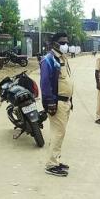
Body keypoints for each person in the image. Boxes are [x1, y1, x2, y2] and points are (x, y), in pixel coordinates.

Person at [40, 32, 73, 177]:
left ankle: (56, 160)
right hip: (56, 103)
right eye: (62, 42)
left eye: (66, 42)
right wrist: (50, 102)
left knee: (60, 133)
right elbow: (45, 84)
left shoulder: (62, 58)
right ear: (54, 43)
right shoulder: (48, 60)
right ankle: (51, 165)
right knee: (57, 133)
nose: (65, 45)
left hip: (65, 102)